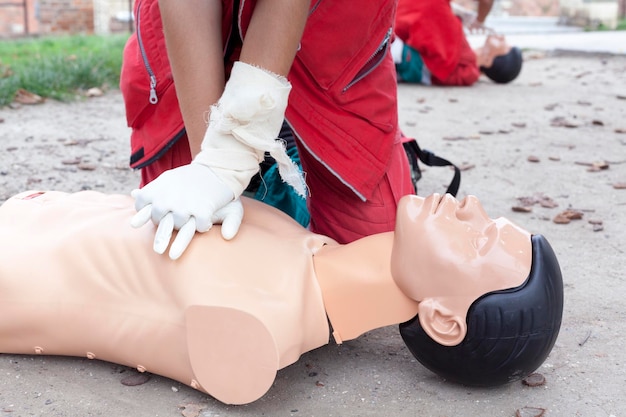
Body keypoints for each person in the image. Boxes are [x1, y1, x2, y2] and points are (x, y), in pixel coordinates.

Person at [0, 190, 563, 405]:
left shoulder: (254, 339)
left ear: (443, 320)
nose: (470, 209)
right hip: (37, 214)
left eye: (479, 238)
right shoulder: (304, 243)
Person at [120, 0, 415, 260]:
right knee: (184, 241)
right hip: (203, 38)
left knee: (382, 255)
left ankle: (279, 152)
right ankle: (261, 171)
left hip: (330, 37)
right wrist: (212, 165)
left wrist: (228, 158)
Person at [392, 0, 523, 86]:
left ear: (489, 60)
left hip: (407, 59)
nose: (501, 37)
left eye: (504, 45)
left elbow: (434, 15)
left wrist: (458, 19)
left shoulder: (469, 68)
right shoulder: (466, 56)